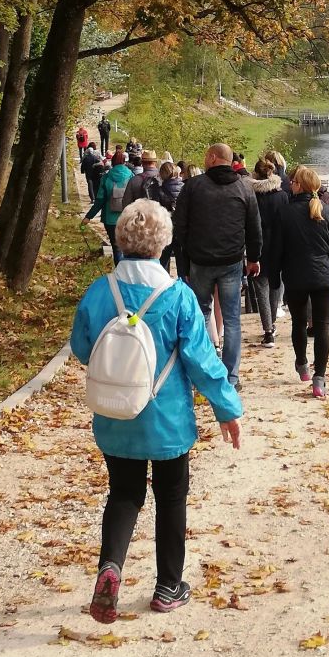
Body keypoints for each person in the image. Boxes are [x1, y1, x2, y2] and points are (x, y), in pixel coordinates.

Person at [71, 201, 243, 621]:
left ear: (121, 239)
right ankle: (168, 586)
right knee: (170, 497)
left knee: (124, 494)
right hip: (166, 420)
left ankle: (110, 566)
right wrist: (226, 408)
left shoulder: (100, 291)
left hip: (116, 414)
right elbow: (201, 360)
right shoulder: (178, 296)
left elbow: (81, 348)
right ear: (164, 242)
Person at [172, 142, 262, 390]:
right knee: (232, 319)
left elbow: (179, 227)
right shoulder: (244, 188)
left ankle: (201, 373)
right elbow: (254, 228)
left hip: (200, 262)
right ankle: (231, 377)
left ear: (212, 158)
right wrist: (253, 258)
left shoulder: (193, 187)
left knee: (200, 316)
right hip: (231, 261)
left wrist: (185, 264)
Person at [269, 166, 329, 399]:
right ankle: (319, 379)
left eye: (293, 181)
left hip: (295, 277)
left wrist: (275, 278)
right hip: (324, 277)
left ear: (299, 185)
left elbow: (276, 250)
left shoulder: (284, 213)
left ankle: (302, 365)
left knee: (298, 323)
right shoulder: (328, 211)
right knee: (322, 326)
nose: (290, 184)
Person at [249, 157, 287, 348]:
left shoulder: (252, 196)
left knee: (261, 290)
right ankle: (272, 323)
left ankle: (268, 330)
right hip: (278, 247)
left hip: (258, 246)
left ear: (255, 174)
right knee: (275, 285)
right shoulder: (282, 196)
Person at [85, 149, 134, 263]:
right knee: (129, 248)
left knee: (116, 248)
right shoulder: (131, 176)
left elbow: (100, 200)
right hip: (127, 218)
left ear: (112, 163)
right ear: (124, 162)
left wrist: (89, 217)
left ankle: (119, 273)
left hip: (110, 219)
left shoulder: (106, 178)